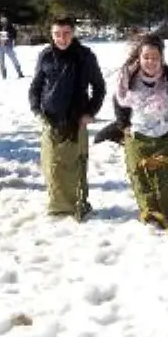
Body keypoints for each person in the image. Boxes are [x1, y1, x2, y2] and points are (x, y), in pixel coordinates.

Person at [95, 34, 168, 229]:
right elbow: (119, 102)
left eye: (155, 57)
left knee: (166, 180)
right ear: (139, 57)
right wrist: (123, 125)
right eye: (146, 57)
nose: (150, 61)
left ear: (162, 58)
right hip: (137, 137)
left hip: (165, 135)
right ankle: (149, 213)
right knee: (140, 178)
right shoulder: (128, 78)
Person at [28, 17, 108, 219]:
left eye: (66, 33)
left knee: (74, 164)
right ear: (51, 34)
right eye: (57, 34)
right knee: (52, 165)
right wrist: (37, 110)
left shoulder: (85, 56)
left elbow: (99, 88)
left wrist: (90, 112)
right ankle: (58, 204)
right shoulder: (45, 55)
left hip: (76, 119)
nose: (62, 38)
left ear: (73, 33)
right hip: (50, 118)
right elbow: (35, 87)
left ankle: (76, 202)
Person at [0, 14, 24, 79]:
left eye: (4, 19)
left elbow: (14, 35)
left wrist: (9, 35)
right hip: (0, 47)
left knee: (14, 60)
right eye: (2, 19)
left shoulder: (10, 27)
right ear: (0, 20)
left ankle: (19, 72)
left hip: (8, 46)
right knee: (1, 62)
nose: (3, 20)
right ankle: (4, 75)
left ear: (7, 20)